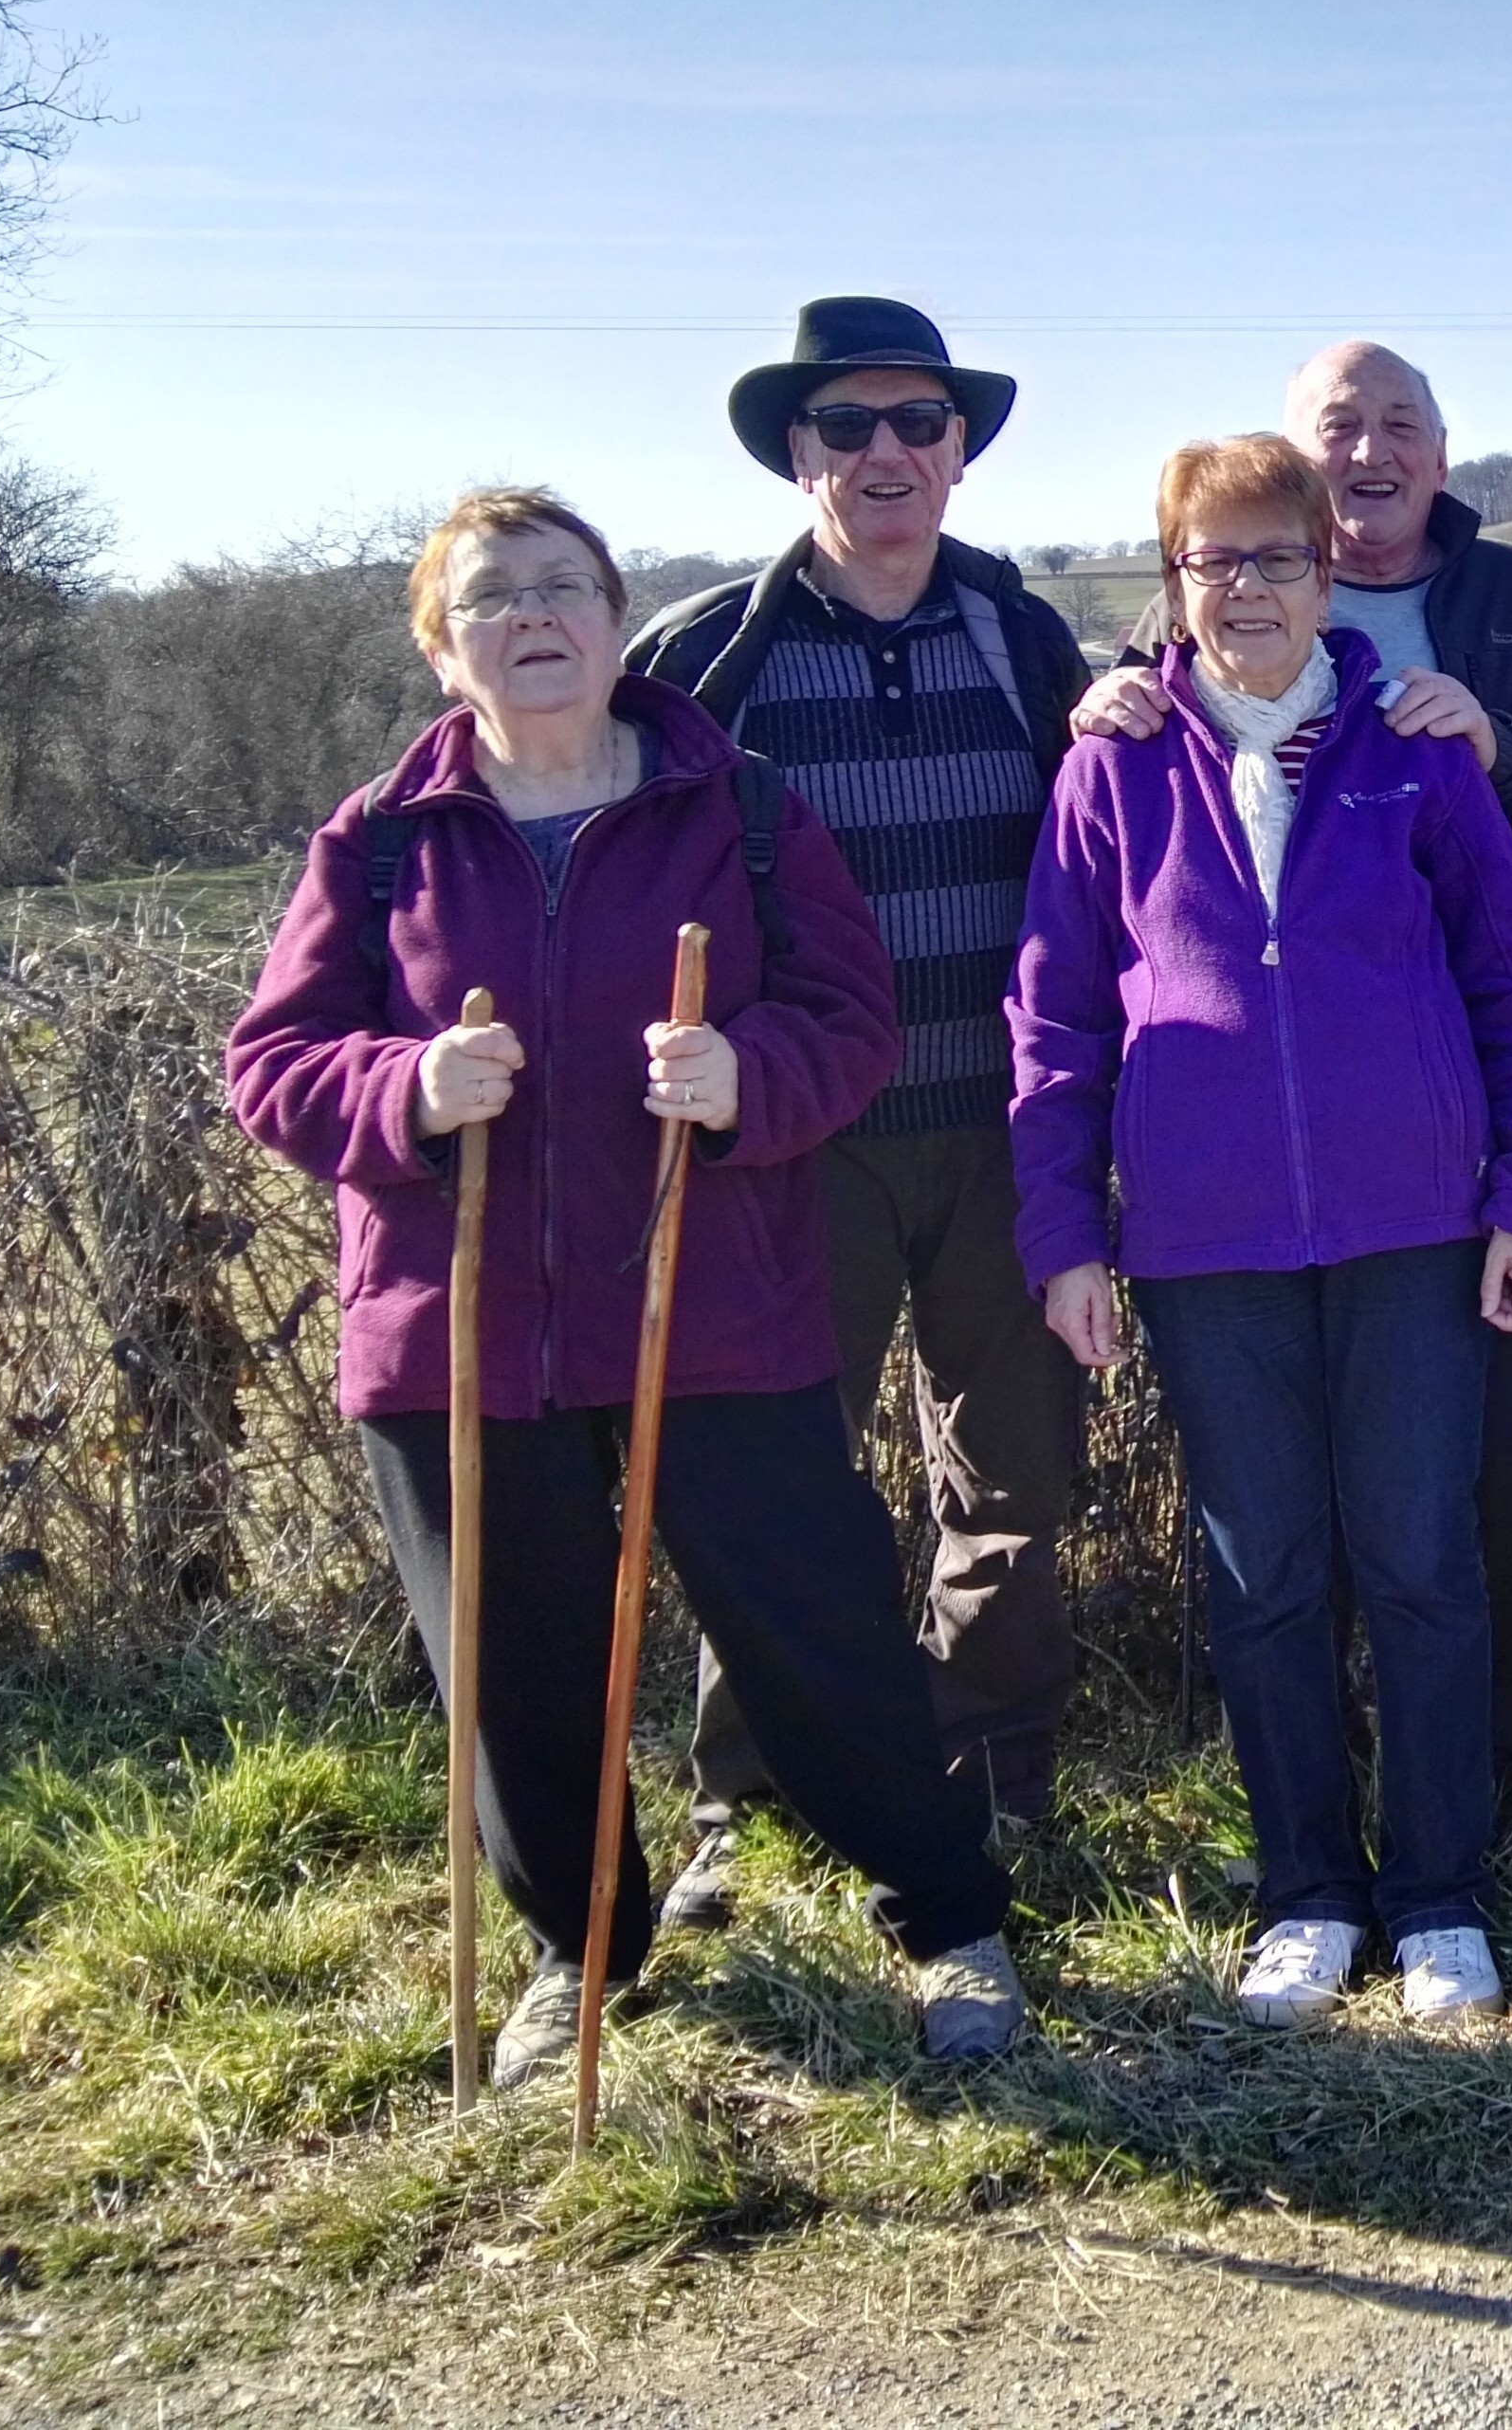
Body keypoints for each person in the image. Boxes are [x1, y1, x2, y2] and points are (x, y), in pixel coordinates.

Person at [227, 488, 1024, 2085]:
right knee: (516, 1665)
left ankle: (947, 1918)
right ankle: (577, 1953)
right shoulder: (381, 837)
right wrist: (402, 1087)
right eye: (491, 596)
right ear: (445, 647)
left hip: (711, 1299)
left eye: (561, 586)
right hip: (458, 1333)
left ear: (612, 614)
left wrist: (744, 1069)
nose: (532, 616)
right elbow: (274, 1066)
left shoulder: (734, 806)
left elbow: (851, 1024)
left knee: (819, 1626)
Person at [1010, 435, 1512, 2026]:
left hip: (1417, 1228)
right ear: (1173, 586)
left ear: (1328, 575)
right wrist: (1065, 1233)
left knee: (1418, 1559)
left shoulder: (1417, 749)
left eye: (1278, 557)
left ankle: (1439, 1893)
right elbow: (1053, 1016)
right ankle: (1308, 1891)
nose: (1249, 587)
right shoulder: (1111, 766)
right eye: (1217, 561)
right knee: (1264, 1574)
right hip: (1208, 1246)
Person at [628, 295, 1097, 1921]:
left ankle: (992, 1784)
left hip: (1009, 1135)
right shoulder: (703, 658)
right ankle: (742, 1810)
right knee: (776, 1483)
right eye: (851, 425)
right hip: (788, 1145)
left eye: (921, 423)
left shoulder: (1027, 640)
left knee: (1015, 1479)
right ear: (797, 454)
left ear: (961, 450)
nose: (889, 452)